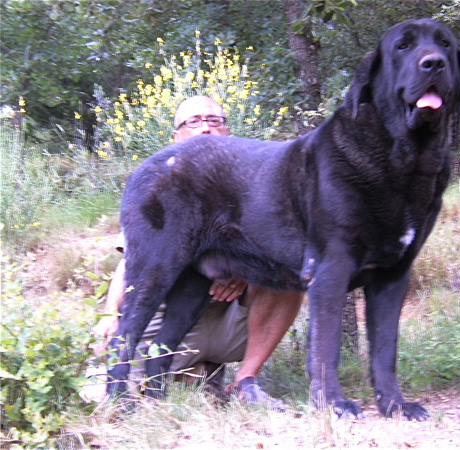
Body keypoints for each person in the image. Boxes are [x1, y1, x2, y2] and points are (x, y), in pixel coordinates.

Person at [93, 95, 304, 409]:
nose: (205, 128)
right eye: (194, 122)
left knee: (292, 275)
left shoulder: (261, 184)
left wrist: (243, 274)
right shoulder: (163, 183)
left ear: (228, 132)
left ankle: (245, 382)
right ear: (177, 137)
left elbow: (280, 249)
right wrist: (111, 314)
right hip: (169, 323)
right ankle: (168, 377)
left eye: (214, 121)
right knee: (98, 387)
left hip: (230, 321)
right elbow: (134, 263)